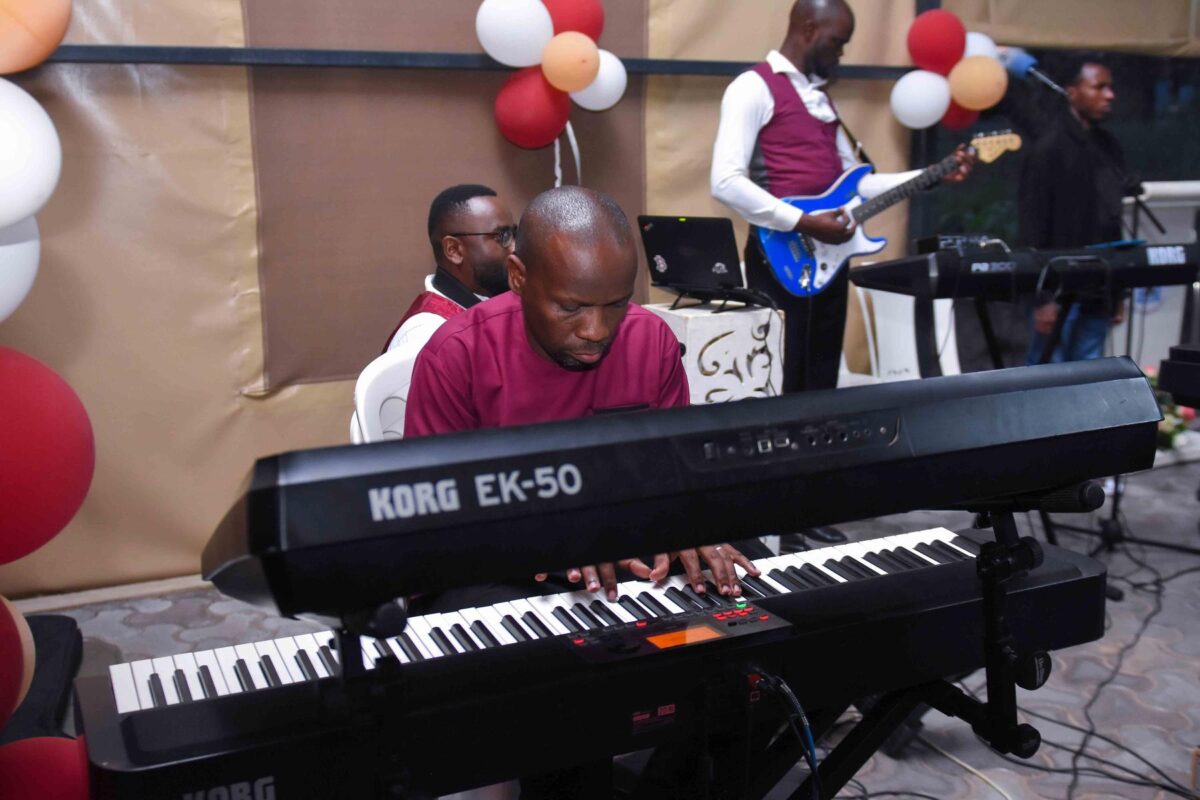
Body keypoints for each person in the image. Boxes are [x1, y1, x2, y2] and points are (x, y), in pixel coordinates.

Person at [406, 186, 767, 798]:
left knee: (762, 620)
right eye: (571, 307)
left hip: (624, 547)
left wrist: (690, 527)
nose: (596, 331)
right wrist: (564, 537)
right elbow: (437, 526)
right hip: (499, 564)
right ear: (518, 276)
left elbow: (672, 472)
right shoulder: (456, 355)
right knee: (560, 676)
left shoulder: (651, 340)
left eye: (615, 304)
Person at [711, 0, 974, 393]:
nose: (841, 53)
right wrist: (804, 222)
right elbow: (725, 181)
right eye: (837, 42)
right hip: (781, 254)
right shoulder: (753, 87)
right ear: (808, 30)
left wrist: (932, 174)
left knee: (822, 380)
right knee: (781, 379)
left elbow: (858, 184)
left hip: (829, 258)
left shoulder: (821, 101)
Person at [356, 184, 515, 440]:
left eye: (516, 234)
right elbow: (427, 447)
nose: (515, 248)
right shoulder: (426, 336)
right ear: (454, 250)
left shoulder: (490, 306)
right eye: (502, 236)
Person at [1017, 58, 1132, 364]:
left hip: (1099, 287)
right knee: (1049, 374)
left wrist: (1118, 292)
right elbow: (1032, 226)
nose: (1109, 95)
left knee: (1089, 372)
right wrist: (1041, 298)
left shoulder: (1107, 145)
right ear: (1072, 92)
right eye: (1099, 87)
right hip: (1058, 290)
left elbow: (1112, 220)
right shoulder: (1048, 148)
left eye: (1110, 88)